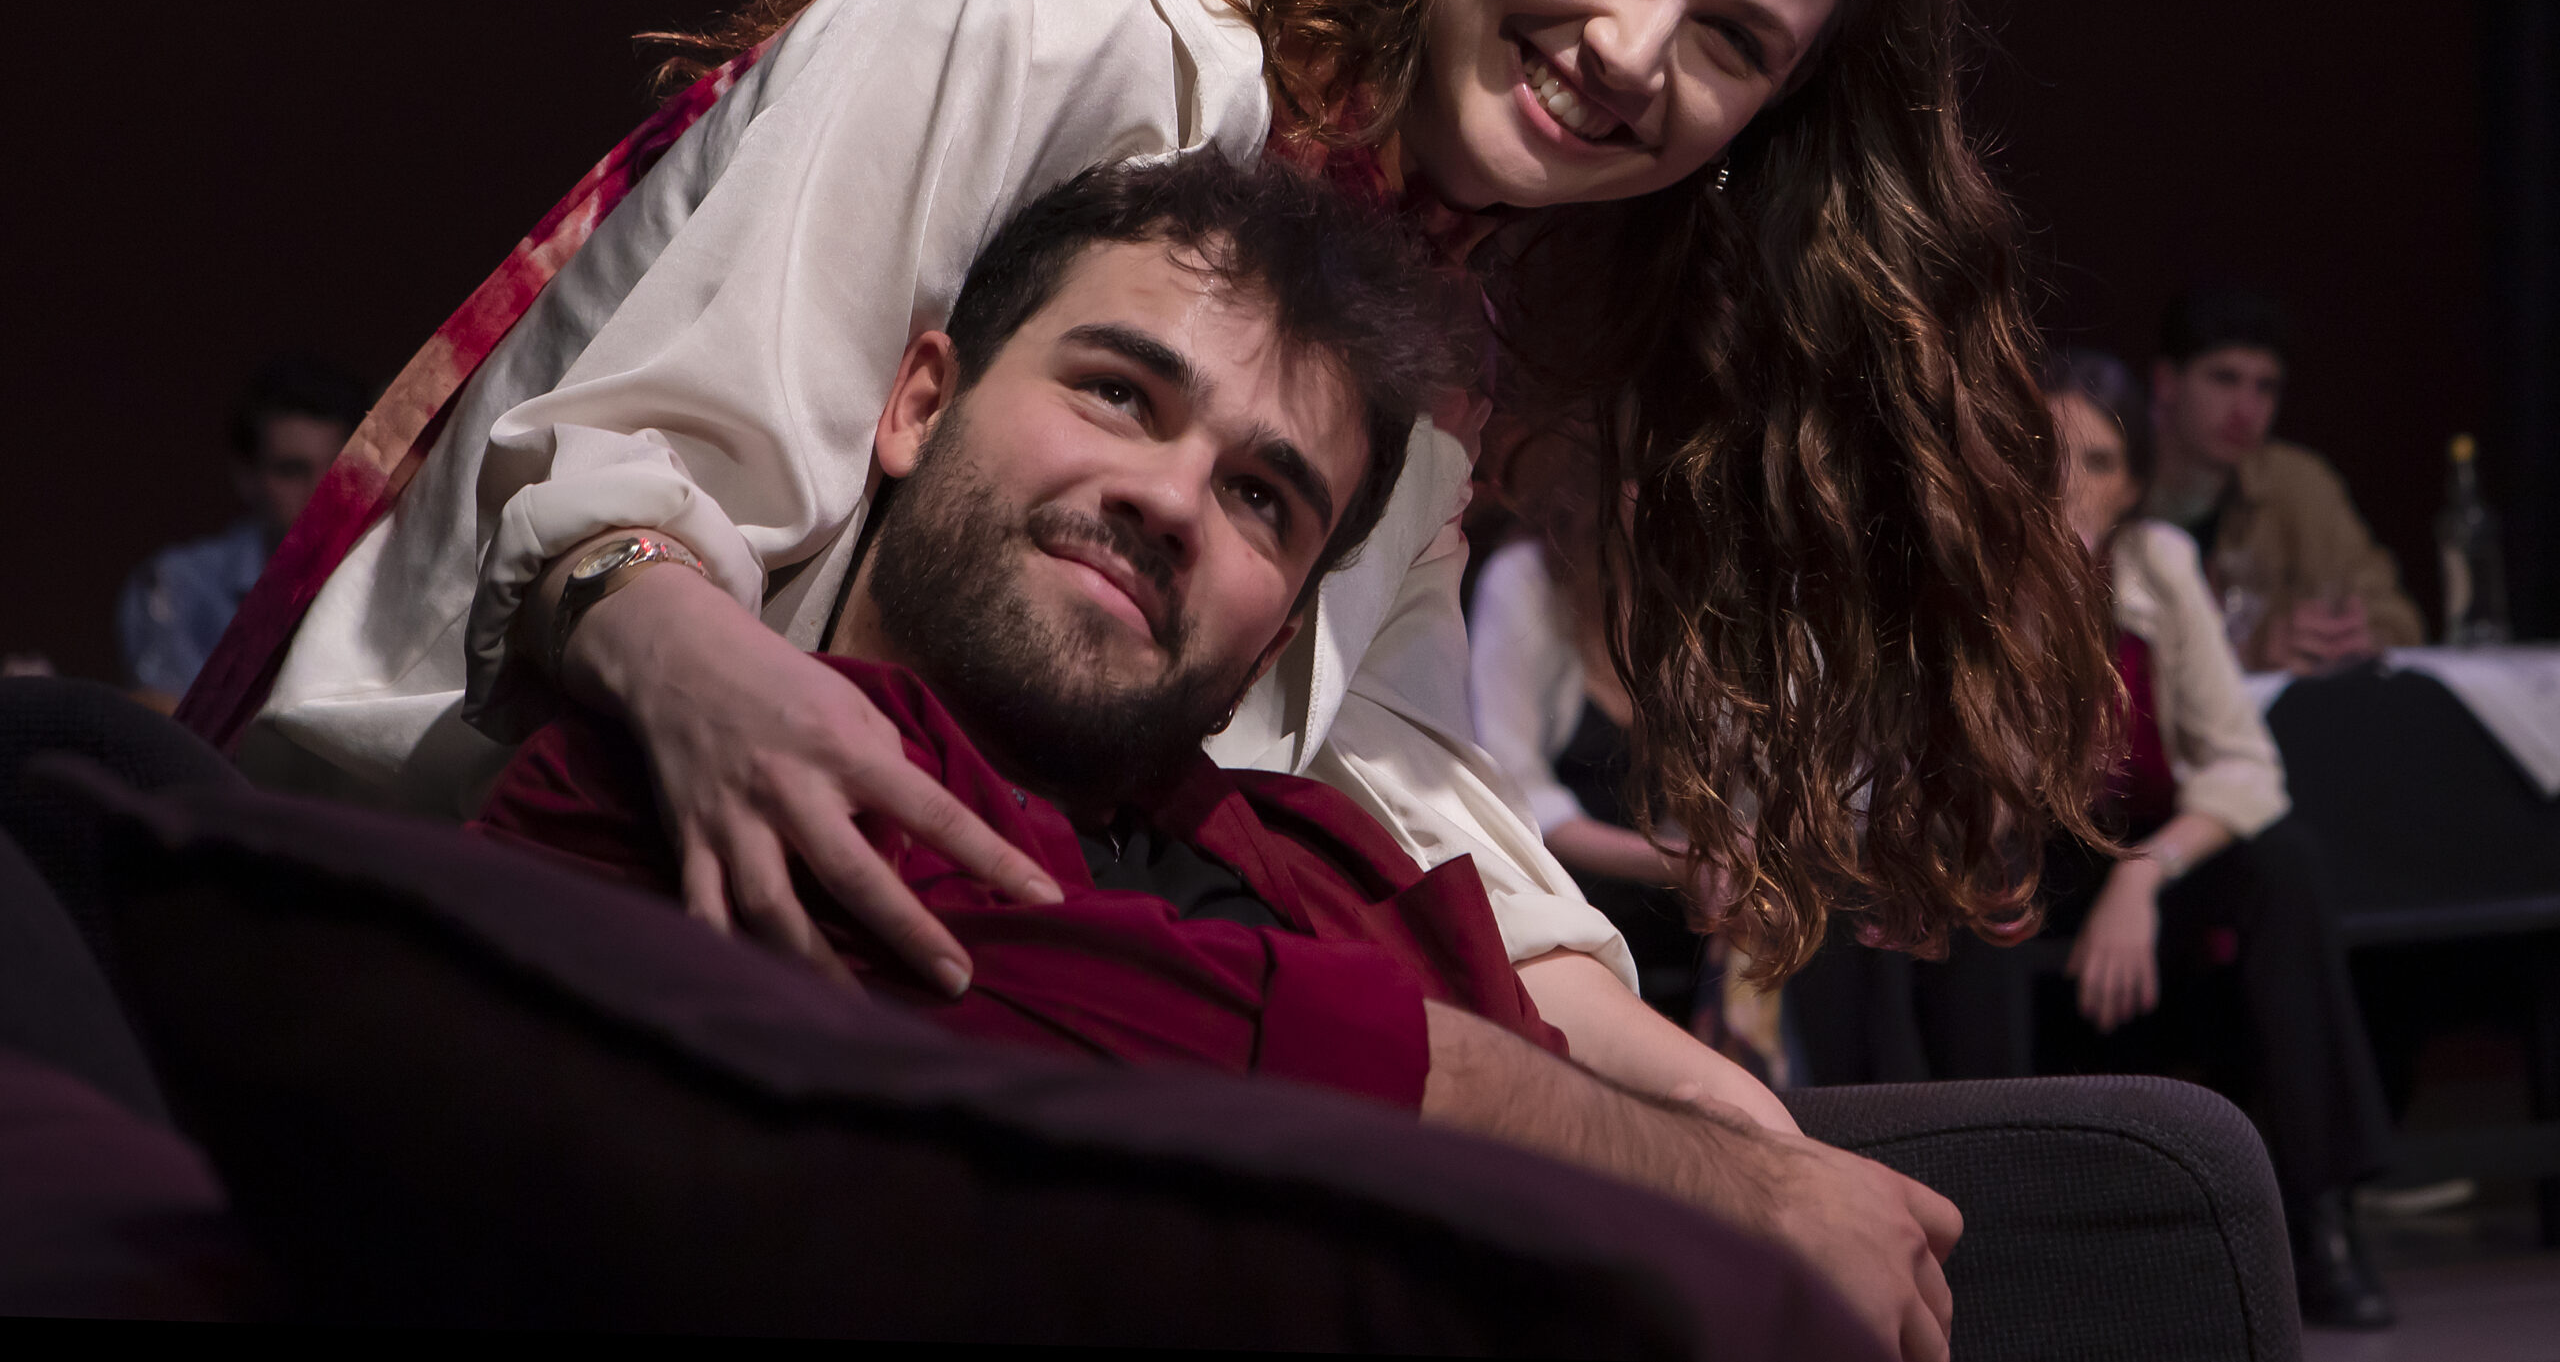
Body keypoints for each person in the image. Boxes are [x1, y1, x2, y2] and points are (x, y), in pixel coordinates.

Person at [218, 0, 2113, 1115]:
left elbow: (1397, 803)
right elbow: (637, 460)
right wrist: (675, 642)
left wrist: (1734, 1124)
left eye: (1731, 43)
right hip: (505, 890)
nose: (1633, 51)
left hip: (898, 997)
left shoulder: (1419, 380)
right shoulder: (1063, 23)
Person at [475, 157, 1961, 1359]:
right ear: (922, 402)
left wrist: (1748, 1157)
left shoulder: (1327, 857)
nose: (1174, 501)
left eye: (1262, 497)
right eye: (1121, 394)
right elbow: (1169, 1040)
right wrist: (1737, 1188)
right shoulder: (666, 765)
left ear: (1278, 637)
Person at [1798, 351, 2396, 1329]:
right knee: (1977, 876)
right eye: (2047, 453)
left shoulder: (2157, 564)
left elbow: (2245, 766)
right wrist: (2031, 610)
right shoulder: (1958, 568)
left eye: (2101, 461)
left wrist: (2141, 879)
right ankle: (1990, 1220)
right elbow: (1954, 790)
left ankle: (2320, 1215)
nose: (2070, 482)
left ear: (2131, 485)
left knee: (2283, 862)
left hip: (2132, 852)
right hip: (2008, 842)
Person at [1466, 440, 1784, 1079]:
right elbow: (1512, 795)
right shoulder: (1524, 582)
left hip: (1685, 920)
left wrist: (1735, 851)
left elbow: (1744, 772)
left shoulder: (1699, 592)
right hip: (1565, 914)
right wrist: (1675, 861)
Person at [2145, 285, 2424, 672]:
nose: (2246, 410)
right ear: (2166, 383)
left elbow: (2399, 617)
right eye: (2224, 379)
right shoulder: (2109, 476)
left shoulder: (2295, 481)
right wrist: (2248, 655)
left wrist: (2357, 636)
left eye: (2265, 387)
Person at [117, 355, 368, 711]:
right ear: (246, 477)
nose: (321, 492)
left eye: (340, 467)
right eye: (291, 470)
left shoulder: (390, 575)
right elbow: (180, 730)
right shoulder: (176, 584)